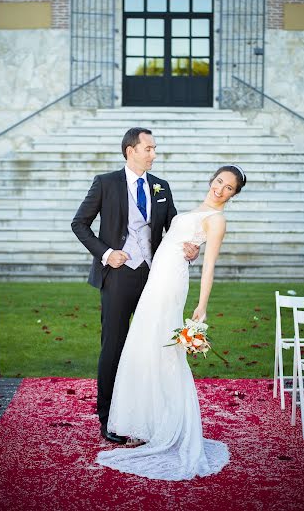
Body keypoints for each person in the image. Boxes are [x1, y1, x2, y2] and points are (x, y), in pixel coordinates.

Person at [96, 164, 247, 481]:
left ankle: (165, 425)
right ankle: (143, 423)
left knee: (163, 350)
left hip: (171, 283)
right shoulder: (198, 209)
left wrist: (202, 305)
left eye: (228, 188)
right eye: (219, 181)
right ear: (212, 179)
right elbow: (171, 235)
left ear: (234, 194)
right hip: (155, 278)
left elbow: (209, 266)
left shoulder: (217, 220)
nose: (220, 189)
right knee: (144, 345)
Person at [71, 127, 199, 445]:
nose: (153, 154)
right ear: (131, 150)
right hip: (117, 276)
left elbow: (174, 227)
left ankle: (148, 414)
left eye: (154, 149)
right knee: (113, 346)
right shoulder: (106, 183)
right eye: (149, 148)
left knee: (151, 347)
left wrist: (191, 246)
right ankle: (109, 419)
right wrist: (107, 253)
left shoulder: (161, 187)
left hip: (154, 277)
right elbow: (79, 223)